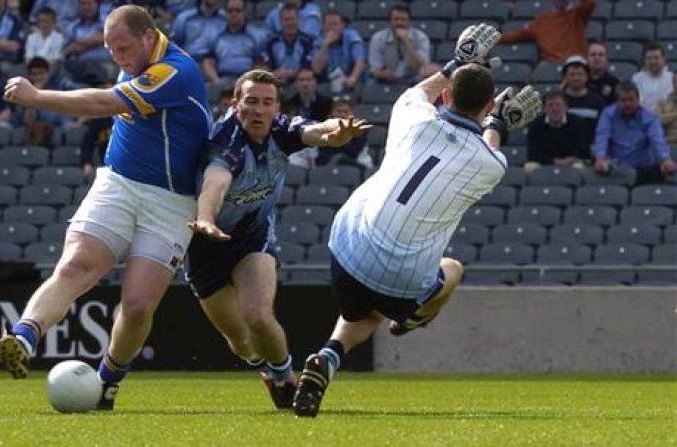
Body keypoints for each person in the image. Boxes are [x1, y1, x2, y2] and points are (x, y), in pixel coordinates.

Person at [291, 24, 542, 417]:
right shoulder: (491, 164)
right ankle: (414, 317)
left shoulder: (409, 113)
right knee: (453, 269)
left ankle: (328, 356)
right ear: (489, 104)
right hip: (402, 280)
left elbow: (424, 90)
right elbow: (489, 144)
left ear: (447, 95)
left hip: (345, 246)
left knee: (364, 311)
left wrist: (459, 61)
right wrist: (498, 123)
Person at [0, 5, 211, 412]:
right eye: (110, 48)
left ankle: (107, 382)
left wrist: (37, 97)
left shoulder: (175, 72)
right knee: (77, 265)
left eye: (123, 47)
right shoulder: (136, 56)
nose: (116, 57)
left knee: (138, 305)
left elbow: (101, 105)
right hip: (118, 182)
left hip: (170, 200)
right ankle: (23, 335)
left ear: (149, 37)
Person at [185, 68, 370, 409]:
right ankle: (266, 369)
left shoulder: (281, 130)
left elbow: (315, 131)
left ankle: (286, 379)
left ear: (276, 107)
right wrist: (206, 219)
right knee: (240, 341)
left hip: (251, 238)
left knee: (257, 316)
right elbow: (216, 181)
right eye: (251, 102)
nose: (259, 110)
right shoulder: (225, 141)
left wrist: (334, 133)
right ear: (235, 103)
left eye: (267, 103)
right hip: (204, 245)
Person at [593, 81, 675, 184]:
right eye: (623, 100)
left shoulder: (650, 116)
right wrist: (600, 157)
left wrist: (665, 159)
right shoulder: (608, 114)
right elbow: (602, 136)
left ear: (638, 99)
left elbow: (657, 139)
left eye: (631, 99)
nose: (627, 104)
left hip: (644, 169)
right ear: (617, 101)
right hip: (617, 170)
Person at [500, 0, 595, 63]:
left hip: (575, 62)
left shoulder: (578, 14)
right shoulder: (543, 20)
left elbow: (590, 3)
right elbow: (517, 35)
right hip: (550, 65)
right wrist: (493, 38)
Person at [525, 90, 593, 173]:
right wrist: (555, 161)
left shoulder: (578, 123)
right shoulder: (535, 124)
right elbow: (533, 153)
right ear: (544, 109)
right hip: (544, 162)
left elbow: (582, 148)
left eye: (558, 105)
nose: (554, 109)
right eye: (550, 105)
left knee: (579, 167)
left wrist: (571, 159)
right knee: (529, 167)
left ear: (566, 107)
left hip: (572, 161)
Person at [368, 3, 436, 85]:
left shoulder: (421, 37)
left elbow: (422, 67)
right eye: (396, 19)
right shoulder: (378, 38)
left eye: (403, 19)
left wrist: (407, 42)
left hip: (414, 79)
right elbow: (375, 69)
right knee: (371, 83)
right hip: (387, 80)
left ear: (409, 22)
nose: (399, 23)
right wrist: (383, 73)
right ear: (390, 22)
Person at [201, 0, 263, 86]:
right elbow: (208, 63)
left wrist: (249, 81)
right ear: (225, 13)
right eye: (230, 11)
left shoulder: (256, 36)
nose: (234, 14)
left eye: (238, 10)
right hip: (221, 79)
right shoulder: (215, 35)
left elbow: (259, 64)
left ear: (245, 12)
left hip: (247, 80)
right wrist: (216, 81)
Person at [311, 10, 366, 94]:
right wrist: (326, 45)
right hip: (329, 83)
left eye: (335, 24)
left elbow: (360, 61)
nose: (332, 28)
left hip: (351, 80)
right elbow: (316, 69)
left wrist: (353, 78)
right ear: (322, 26)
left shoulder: (351, 35)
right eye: (329, 24)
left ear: (342, 26)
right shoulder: (319, 41)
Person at [261, 4, 315, 85]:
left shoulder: (308, 41)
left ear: (298, 20)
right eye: (286, 20)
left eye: (292, 19)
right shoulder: (271, 42)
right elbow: (267, 65)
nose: (290, 23)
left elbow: (309, 68)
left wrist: (290, 74)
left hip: (300, 82)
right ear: (280, 21)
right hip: (275, 81)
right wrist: (276, 74)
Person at [315, 95, 369, 167]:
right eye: (338, 111)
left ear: (351, 114)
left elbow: (353, 154)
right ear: (332, 114)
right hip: (331, 166)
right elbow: (321, 155)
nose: (342, 115)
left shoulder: (359, 129)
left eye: (345, 112)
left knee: (339, 158)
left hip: (357, 165)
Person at [560, 55, 606, 128]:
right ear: (565, 77)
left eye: (580, 74)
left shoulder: (598, 102)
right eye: (572, 75)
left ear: (587, 76)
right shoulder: (556, 102)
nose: (576, 78)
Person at [631, 42, 674, 111]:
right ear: (644, 60)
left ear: (664, 59)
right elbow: (639, 104)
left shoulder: (672, 78)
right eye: (649, 58)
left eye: (656, 58)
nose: (653, 61)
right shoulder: (637, 79)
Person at [654, 73, 677, 148]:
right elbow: (656, 120)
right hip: (669, 144)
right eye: (675, 81)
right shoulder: (662, 103)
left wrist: (668, 117)